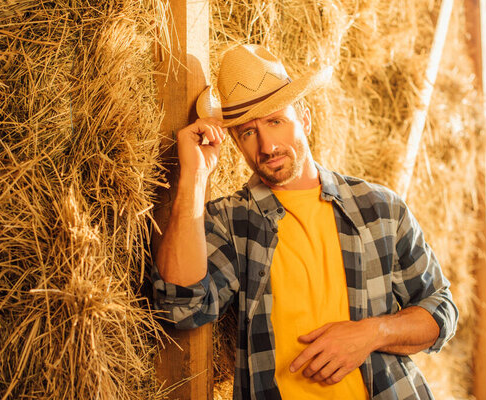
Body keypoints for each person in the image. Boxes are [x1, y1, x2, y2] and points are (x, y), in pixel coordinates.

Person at [152, 44, 458, 399]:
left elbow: (441, 310)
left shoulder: (379, 208)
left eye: (275, 121)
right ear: (234, 141)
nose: (267, 146)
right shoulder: (233, 221)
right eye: (248, 132)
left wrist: (372, 333)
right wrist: (193, 177)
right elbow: (179, 306)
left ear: (305, 117)